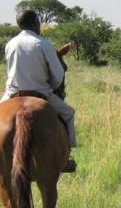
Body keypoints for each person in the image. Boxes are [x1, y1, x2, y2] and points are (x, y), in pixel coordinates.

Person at [1, 9, 77, 172]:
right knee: (69, 113)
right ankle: (67, 157)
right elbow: (58, 75)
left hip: (12, 93)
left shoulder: (10, 44)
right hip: (41, 94)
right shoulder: (43, 44)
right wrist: (52, 86)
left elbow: (10, 71)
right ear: (36, 23)